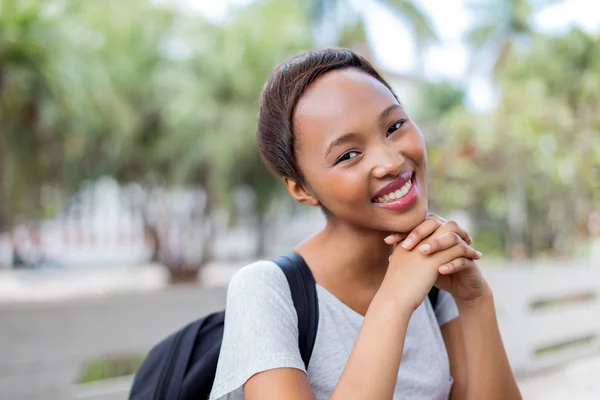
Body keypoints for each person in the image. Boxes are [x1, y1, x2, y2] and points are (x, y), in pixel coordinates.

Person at [209, 49, 521, 400]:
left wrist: (475, 300)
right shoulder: (265, 290)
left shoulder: (435, 271)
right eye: (348, 155)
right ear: (301, 188)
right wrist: (393, 300)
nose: (390, 161)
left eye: (394, 126)